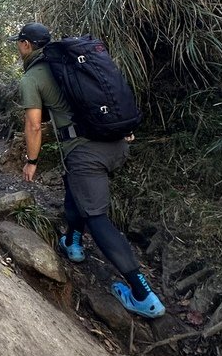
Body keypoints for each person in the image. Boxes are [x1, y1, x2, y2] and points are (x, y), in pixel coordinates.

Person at [11, 21, 165, 319]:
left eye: (19, 43)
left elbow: (33, 124)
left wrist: (31, 161)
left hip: (86, 153)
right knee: (76, 186)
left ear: (27, 45)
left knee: (96, 216)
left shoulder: (33, 77)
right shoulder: (74, 63)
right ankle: (73, 242)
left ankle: (142, 294)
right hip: (116, 142)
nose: (18, 48)